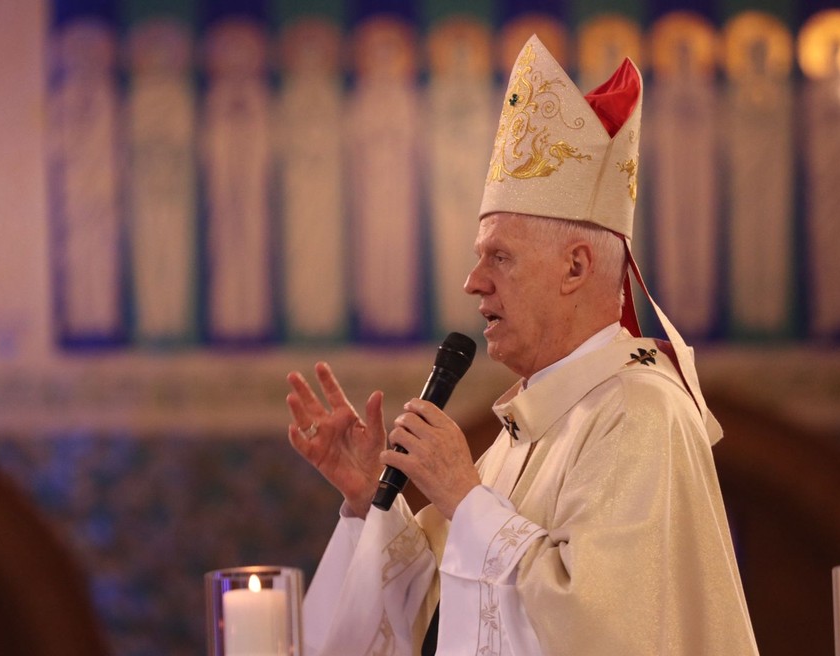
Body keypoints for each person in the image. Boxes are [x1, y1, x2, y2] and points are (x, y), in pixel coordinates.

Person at [285, 34, 758, 655]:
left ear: (575, 267)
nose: (473, 282)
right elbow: (449, 605)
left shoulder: (640, 412)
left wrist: (465, 498)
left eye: (500, 258)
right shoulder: (532, 425)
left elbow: (600, 629)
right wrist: (371, 494)